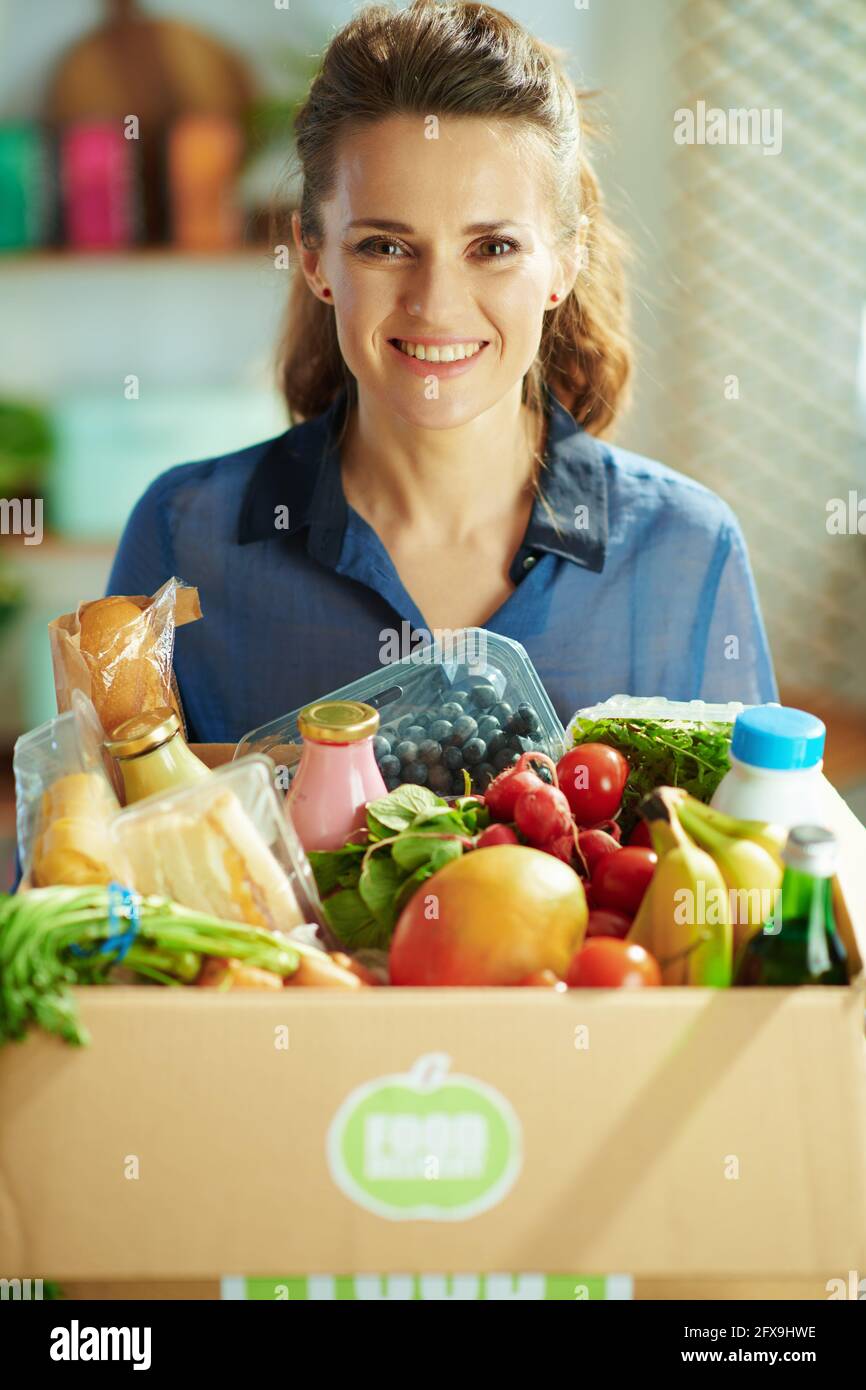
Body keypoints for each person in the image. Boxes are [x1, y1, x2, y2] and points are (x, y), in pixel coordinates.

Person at [107, 0, 778, 745]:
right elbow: (82, 849)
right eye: (385, 247)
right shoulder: (184, 536)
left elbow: (752, 856)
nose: (435, 305)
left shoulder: (683, 549)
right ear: (314, 257)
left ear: (564, 262)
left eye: (492, 247)